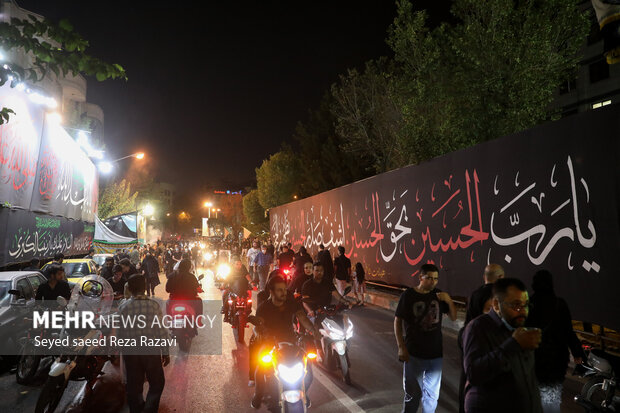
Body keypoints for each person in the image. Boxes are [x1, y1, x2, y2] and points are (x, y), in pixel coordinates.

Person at [462, 277, 543, 413]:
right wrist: (513, 344)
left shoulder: (520, 327)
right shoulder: (478, 327)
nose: (523, 311)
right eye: (516, 305)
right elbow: (473, 373)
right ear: (496, 304)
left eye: (526, 305)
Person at [394, 263, 457, 413]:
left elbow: (453, 317)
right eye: (429, 278)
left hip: (435, 354)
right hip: (413, 353)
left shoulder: (439, 295)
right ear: (420, 277)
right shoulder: (408, 295)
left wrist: (448, 300)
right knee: (413, 395)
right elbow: (398, 320)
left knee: (432, 396)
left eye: (435, 279)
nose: (433, 282)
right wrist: (401, 347)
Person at [250, 275, 319, 409]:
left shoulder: (291, 303)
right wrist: (260, 334)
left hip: (291, 341)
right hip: (270, 343)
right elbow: (257, 327)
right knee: (260, 370)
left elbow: (302, 317)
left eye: (284, 289)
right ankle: (257, 396)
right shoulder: (264, 308)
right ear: (271, 291)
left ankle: (303, 391)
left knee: (308, 371)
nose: (284, 293)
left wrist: (312, 330)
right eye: (280, 290)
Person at [526, 270, 585, 413]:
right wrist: (578, 353)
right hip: (556, 362)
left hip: (534, 360)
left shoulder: (529, 305)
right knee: (551, 398)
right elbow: (569, 332)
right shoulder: (560, 304)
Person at [118, 274, 170, 413]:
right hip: (150, 351)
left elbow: (120, 332)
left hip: (131, 351)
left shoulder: (123, 307)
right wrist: (165, 351)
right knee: (157, 383)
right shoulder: (153, 305)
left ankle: (137, 408)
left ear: (129, 288)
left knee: (134, 386)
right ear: (145, 287)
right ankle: (149, 409)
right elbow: (161, 330)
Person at [458, 263, 504, 413]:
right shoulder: (499, 296)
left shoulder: (474, 294)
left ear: (484, 277)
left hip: (469, 342)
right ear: (501, 277)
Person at [222, 257, 253, 322]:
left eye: (240, 264)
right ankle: (225, 311)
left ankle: (248, 310)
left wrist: (251, 282)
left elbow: (247, 275)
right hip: (233, 286)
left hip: (243, 286)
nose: (239, 266)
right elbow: (227, 277)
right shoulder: (230, 269)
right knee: (224, 293)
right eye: (237, 264)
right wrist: (223, 285)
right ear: (234, 264)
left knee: (249, 295)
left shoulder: (243, 268)